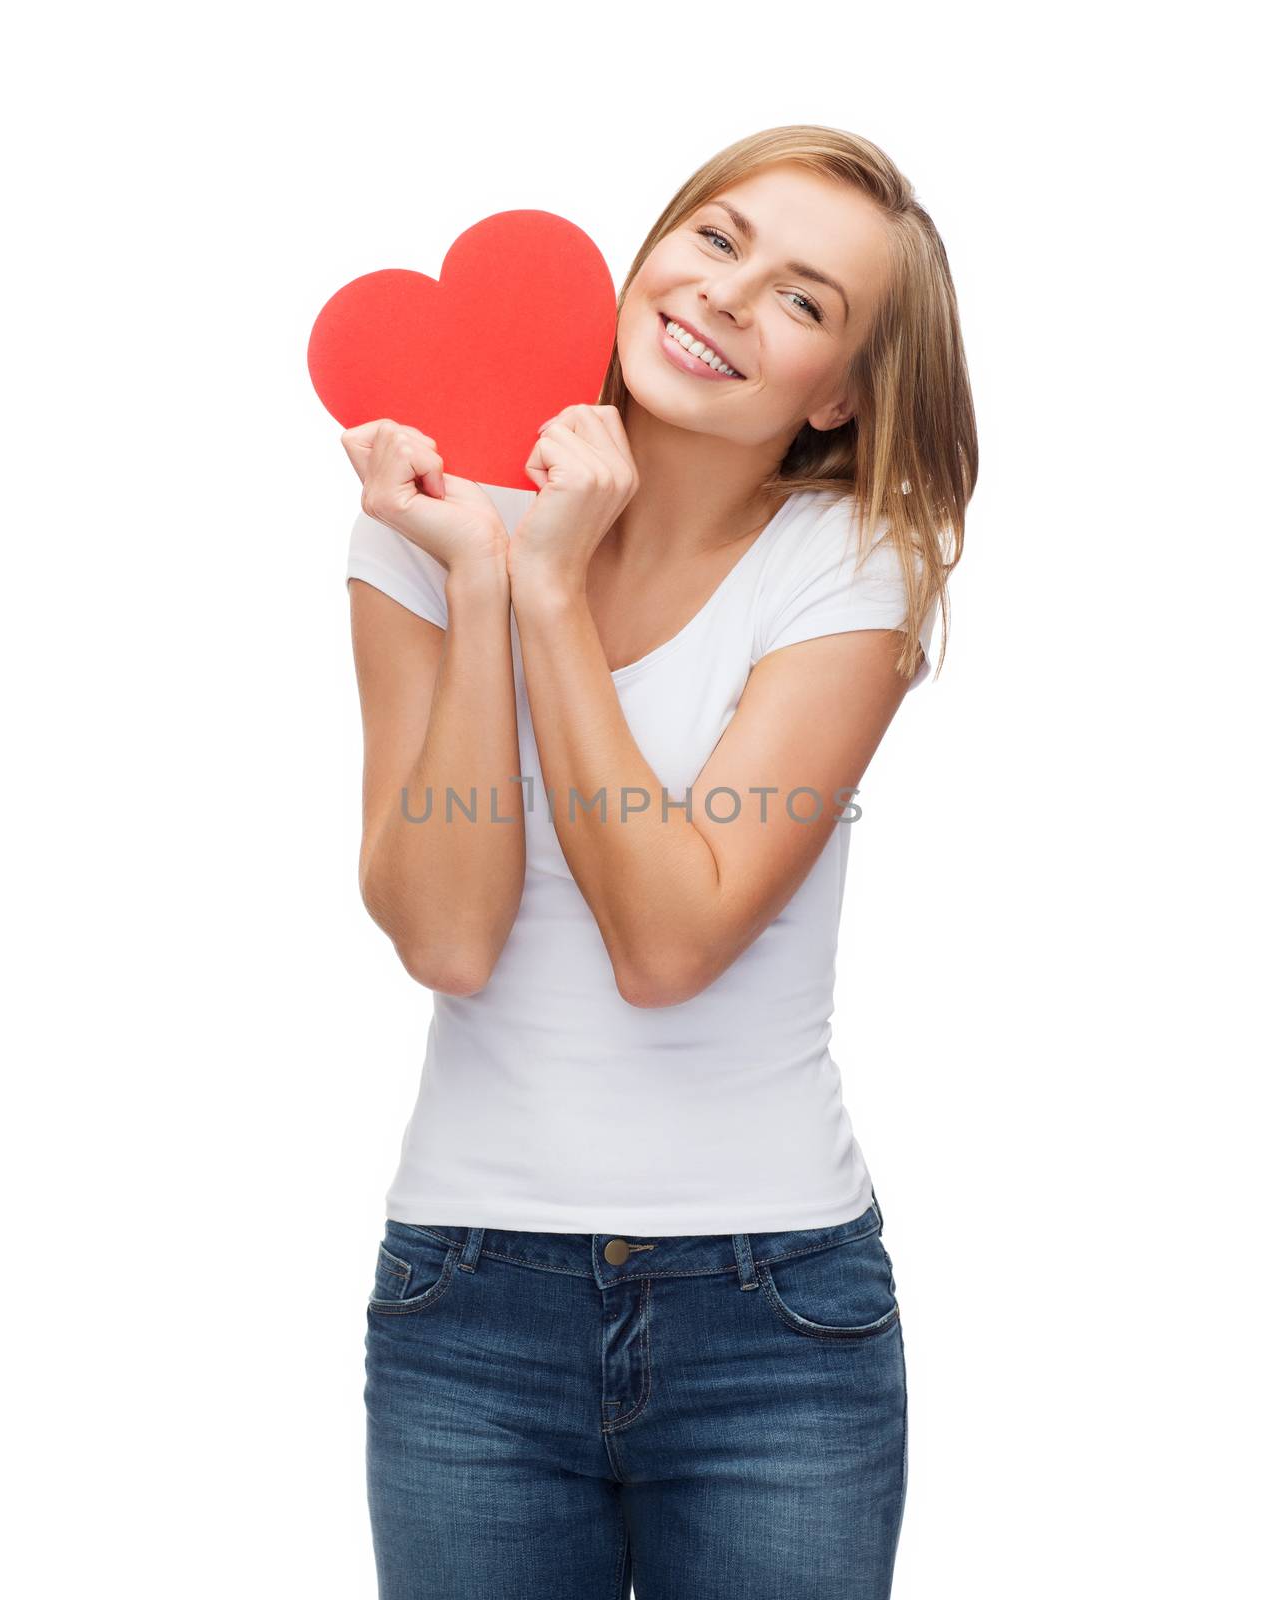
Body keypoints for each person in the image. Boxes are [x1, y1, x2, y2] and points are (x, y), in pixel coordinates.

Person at [341, 124, 975, 1600]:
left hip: (773, 1323)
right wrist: (488, 578)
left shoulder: (849, 565)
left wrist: (553, 584)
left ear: (841, 394)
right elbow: (447, 935)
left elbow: (669, 941)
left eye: (806, 302)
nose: (729, 297)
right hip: (465, 1302)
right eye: (716, 237)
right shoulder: (432, 526)